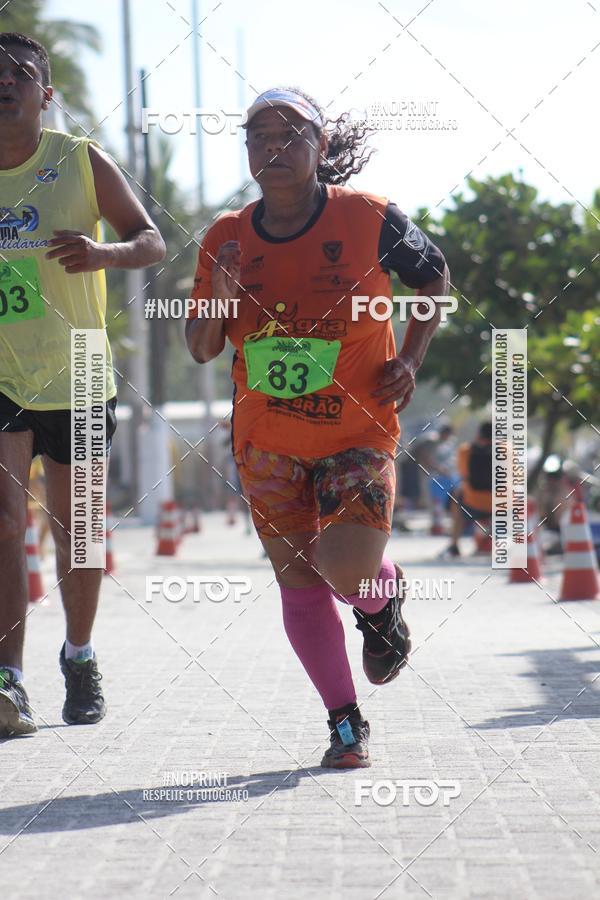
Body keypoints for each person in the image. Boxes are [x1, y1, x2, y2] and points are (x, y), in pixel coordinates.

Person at [185, 87, 449, 767]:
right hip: (266, 443)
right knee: (300, 581)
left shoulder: (370, 217)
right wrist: (220, 292)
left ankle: (381, 602)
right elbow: (202, 347)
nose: (272, 146)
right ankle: (343, 722)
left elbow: (435, 278)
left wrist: (411, 359)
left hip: (356, 433)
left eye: (290, 133)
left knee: (345, 569)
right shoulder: (225, 235)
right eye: (258, 135)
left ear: (320, 147)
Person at [0, 33, 165, 737]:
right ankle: (9, 679)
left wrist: (103, 252)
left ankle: (80, 655)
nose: (4, 81)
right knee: (5, 528)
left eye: (20, 73)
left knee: (80, 532)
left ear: (46, 92)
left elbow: (152, 240)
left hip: (80, 369)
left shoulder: (78, 159)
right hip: (3, 376)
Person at [443, 422, 493, 557]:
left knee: (455, 494)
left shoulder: (465, 450)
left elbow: (463, 474)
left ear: (478, 435)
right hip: (500, 505)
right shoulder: (506, 450)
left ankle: (454, 545)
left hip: (473, 502)